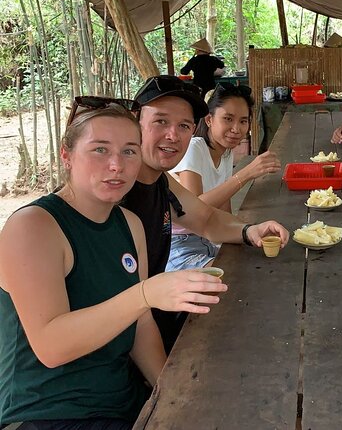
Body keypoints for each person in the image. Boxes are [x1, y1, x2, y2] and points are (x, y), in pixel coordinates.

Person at [0, 99, 227, 429]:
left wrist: (172, 391)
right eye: (100, 150)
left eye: (129, 151)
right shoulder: (34, 226)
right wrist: (145, 294)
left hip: (123, 401)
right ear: (67, 155)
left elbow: (141, 324)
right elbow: (51, 346)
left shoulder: (128, 223)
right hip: (49, 412)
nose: (116, 165)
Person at [123, 75, 288, 352]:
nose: (173, 135)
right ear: (134, 122)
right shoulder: (116, 191)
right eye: (161, 121)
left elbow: (206, 218)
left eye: (184, 125)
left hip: (147, 317)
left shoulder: (160, 181)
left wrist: (249, 231)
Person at [167, 83, 281, 271]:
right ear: (209, 120)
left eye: (243, 121)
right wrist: (245, 174)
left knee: (254, 264)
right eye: (228, 119)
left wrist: (249, 230)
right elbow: (195, 209)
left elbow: (224, 210)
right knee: (231, 277)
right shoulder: (194, 148)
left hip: (210, 238)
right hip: (179, 244)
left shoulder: (226, 153)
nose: (236, 128)